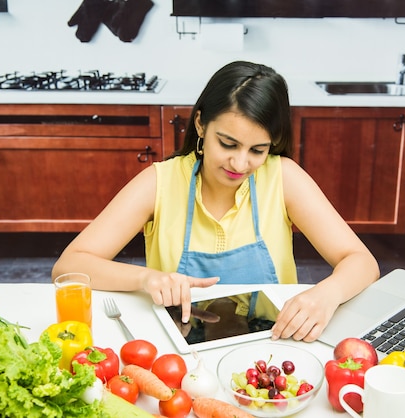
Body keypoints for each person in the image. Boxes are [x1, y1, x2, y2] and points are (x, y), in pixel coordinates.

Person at [52, 61, 380, 342]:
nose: (240, 164)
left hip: (276, 342)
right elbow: (69, 267)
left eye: (257, 150)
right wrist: (146, 278)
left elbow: (362, 262)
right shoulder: (160, 182)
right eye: (227, 144)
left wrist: (327, 294)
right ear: (200, 124)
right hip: (177, 341)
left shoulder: (283, 177)